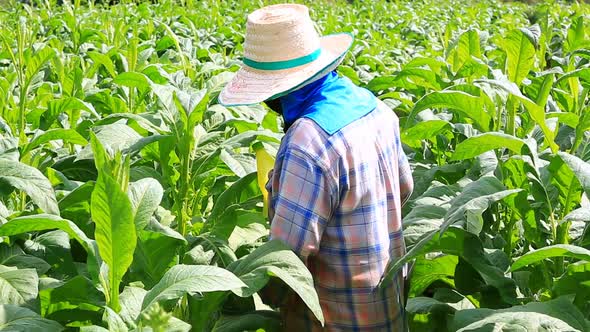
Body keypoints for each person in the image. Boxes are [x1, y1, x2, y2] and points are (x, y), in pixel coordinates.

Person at [219, 4, 413, 331]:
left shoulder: (307, 143)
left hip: (334, 320)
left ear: (273, 89)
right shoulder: (375, 107)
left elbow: (286, 260)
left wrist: (241, 292)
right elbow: (404, 189)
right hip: (389, 305)